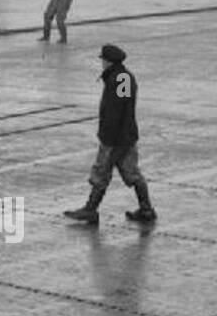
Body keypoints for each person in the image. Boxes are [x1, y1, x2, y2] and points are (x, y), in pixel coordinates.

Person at [64, 44, 157, 225]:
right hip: (124, 136)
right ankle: (146, 210)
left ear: (109, 61)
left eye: (103, 60)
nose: (102, 64)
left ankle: (91, 210)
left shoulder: (121, 78)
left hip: (116, 138)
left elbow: (118, 110)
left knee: (103, 172)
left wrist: (113, 141)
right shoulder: (120, 76)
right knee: (130, 172)